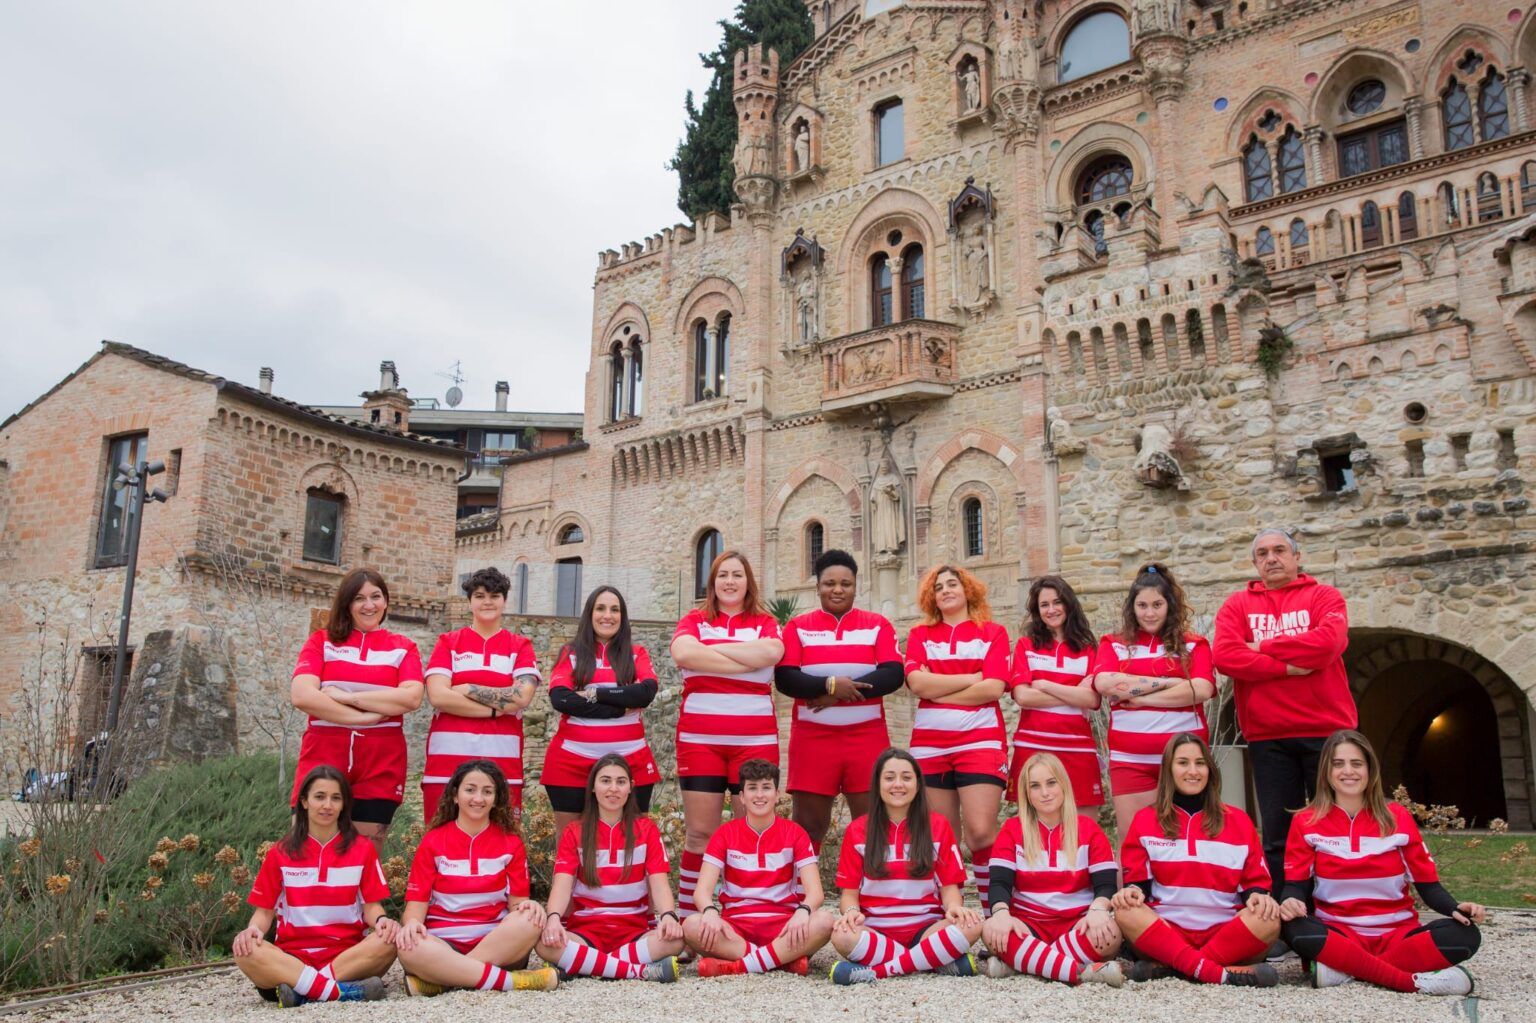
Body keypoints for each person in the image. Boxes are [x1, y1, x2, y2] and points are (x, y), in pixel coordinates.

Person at [1279, 730, 1483, 995]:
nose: (1347, 771)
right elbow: (1295, 886)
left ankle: (1343, 970)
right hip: (1339, 933)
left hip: (1398, 934)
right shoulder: (1306, 821)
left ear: (1370, 769)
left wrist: (1455, 907)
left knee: (1466, 934)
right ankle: (1408, 981)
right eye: (1338, 764)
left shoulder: (1397, 816)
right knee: (1292, 925)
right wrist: (1289, 901)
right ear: (1325, 772)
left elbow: (1429, 887)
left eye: (1356, 763)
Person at [1213, 527, 1356, 895]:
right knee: (1278, 830)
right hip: (1268, 735)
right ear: (1255, 563)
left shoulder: (1324, 596)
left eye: (1279, 550)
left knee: (1338, 824)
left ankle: (1339, 905)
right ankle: (1283, 908)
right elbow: (1226, 655)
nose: (1271, 558)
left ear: (1297, 557)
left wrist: (1259, 645)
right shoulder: (1238, 604)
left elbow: (1328, 645)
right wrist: (1287, 666)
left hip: (1327, 731)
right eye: (1262, 554)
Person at [1111, 734, 1281, 987]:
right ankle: (1220, 973)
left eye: (1200, 763)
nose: (1193, 771)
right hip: (1166, 933)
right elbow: (1138, 885)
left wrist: (1258, 896)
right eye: (1183, 763)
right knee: (1125, 909)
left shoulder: (1239, 820)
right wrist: (1131, 892)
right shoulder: (1146, 820)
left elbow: (1254, 885)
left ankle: (1178, 968)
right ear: (1169, 769)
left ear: (1210, 770)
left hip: (1227, 933)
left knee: (1269, 917)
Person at [669, 549, 784, 918]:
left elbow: (773, 650)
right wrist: (743, 661)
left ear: (748, 581)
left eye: (737, 574)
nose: (730, 581)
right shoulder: (694, 619)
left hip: (755, 743)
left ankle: (742, 916)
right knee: (700, 835)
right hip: (700, 742)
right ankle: (690, 920)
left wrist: (712, 656)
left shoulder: (765, 622)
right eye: (723, 575)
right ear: (712, 582)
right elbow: (684, 654)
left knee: (748, 833)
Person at [774, 549, 905, 850]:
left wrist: (838, 697)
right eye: (829, 583)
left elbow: (893, 674)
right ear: (817, 586)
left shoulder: (877, 625)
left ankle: (871, 891)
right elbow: (786, 678)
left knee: (872, 823)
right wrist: (831, 684)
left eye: (845, 583)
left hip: (867, 738)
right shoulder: (797, 627)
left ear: (855, 586)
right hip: (813, 739)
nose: (837, 589)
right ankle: (806, 893)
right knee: (809, 827)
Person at [234, 766, 395, 1006]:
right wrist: (253, 931)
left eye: (335, 798)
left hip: (347, 957)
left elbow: (372, 907)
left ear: (343, 805)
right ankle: (339, 992)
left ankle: (302, 990)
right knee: (244, 949)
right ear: (304, 802)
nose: (327, 805)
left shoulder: (362, 849)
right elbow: (264, 912)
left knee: (391, 938)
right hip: (292, 958)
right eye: (319, 797)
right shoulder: (280, 852)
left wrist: (383, 921)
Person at [395, 760, 557, 995]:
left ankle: (444, 979)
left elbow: (517, 905)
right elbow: (415, 909)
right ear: (455, 795)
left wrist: (529, 906)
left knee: (531, 919)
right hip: (443, 943)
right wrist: (411, 924)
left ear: (496, 799)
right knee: (408, 946)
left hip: (496, 941)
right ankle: (513, 981)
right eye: (470, 789)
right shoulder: (433, 841)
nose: (478, 798)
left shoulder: (511, 842)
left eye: (487, 791)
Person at [289, 568, 424, 843]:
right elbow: (303, 695)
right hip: (323, 755)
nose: (369, 605)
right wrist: (362, 718)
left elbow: (411, 698)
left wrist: (346, 697)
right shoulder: (321, 642)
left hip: (380, 761)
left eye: (376, 596)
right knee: (309, 853)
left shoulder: (403, 647)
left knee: (364, 859)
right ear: (347, 603)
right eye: (359, 598)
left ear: (386, 602)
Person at [828, 748, 983, 984]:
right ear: (878, 784)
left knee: (972, 924)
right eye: (889, 778)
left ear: (918, 784)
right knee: (841, 935)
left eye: (906, 778)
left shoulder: (938, 826)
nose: (898, 784)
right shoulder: (858, 830)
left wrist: (954, 907)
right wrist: (850, 913)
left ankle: (878, 971)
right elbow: (849, 896)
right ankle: (932, 962)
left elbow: (949, 888)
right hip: (876, 931)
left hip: (927, 930)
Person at [903, 565, 1010, 903]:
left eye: (953, 584)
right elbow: (917, 683)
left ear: (968, 590)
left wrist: (938, 693)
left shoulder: (992, 633)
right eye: (938, 587)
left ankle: (994, 913)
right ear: (930, 597)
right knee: (942, 838)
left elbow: (994, 687)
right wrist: (971, 677)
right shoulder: (920, 635)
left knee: (980, 834)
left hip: (980, 742)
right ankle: (953, 915)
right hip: (930, 747)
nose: (946, 590)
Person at [1092, 563, 1215, 843]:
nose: (1149, 613)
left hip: (1185, 761)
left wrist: (1140, 695)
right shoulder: (1113, 644)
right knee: (1132, 839)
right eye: (1142, 605)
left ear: (1169, 605)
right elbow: (1105, 685)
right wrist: (1172, 682)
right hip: (1129, 761)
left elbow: (1202, 688)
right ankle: (1132, 890)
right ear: (1132, 608)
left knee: (1186, 836)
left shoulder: (1194, 644)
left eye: (1157, 604)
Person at [536, 754, 683, 982]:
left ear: (630, 788)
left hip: (634, 930)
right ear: (593, 787)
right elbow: (562, 884)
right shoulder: (575, 831)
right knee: (542, 943)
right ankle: (637, 971)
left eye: (620, 782)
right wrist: (553, 918)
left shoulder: (646, 830)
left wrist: (668, 916)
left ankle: (586, 963)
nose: (613, 789)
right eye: (605, 781)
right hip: (586, 930)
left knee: (676, 940)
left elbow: (659, 882)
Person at [683, 758, 835, 975]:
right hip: (736, 928)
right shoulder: (724, 834)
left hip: (784, 927)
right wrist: (709, 911)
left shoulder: (795, 833)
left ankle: (737, 966)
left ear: (777, 794)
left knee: (825, 921)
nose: (760, 795)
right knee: (691, 925)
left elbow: (816, 894)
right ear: (742, 797)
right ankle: (782, 960)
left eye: (766, 787)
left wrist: (803, 912)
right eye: (752, 788)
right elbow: (701, 893)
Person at [981, 753, 1123, 986]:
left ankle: (1024, 963)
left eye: (1051, 783)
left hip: (1077, 924)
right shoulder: (1012, 829)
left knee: (1112, 934)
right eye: (1035, 786)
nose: (1045, 793)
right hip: (1028, 924)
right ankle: (1080, 972)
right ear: (1027, 793)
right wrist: (1001, 913)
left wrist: (1098, 910)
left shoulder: (1089, 829)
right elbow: (999, 884)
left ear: (1063, 784)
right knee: (990, 930)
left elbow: (1106, 885)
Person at [421, 567, 541, 821]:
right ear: (470, 602)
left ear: (504, 601)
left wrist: (466, 689)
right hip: (446, 762)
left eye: (495, 595)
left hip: (502, 761)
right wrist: (496, 709)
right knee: (441, 840)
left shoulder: (520, 646)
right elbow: (438, 696)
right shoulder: (448, 642)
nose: (487, 601)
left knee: (501, 841)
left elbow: (521, 697)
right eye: (480, 595)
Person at [543, 586, 661, 839]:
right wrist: (620, 707)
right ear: (590, 613)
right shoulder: (570, 653)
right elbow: (562, 699)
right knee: (571, 843)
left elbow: (645, 693)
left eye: (615, 609)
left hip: (632, 760)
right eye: (601, 608)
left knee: (634, 841)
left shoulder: (636, 653)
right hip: (571, 760)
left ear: (623, 616)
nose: (608, 615)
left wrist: (595, 693)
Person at [1007, 576, 1103, 810]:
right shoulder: (1026, 646)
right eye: (1044, 605)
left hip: (1077, 748)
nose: (1051, 610)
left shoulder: (1088, 648)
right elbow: (1024, 697)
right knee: (1032, 831)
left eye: (1057, 602)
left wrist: (1045, 685)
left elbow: (1091, 699)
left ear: (1069, 604)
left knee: (1082, 830)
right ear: (1037, 610)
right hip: (1032, 746)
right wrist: (1073, 693)